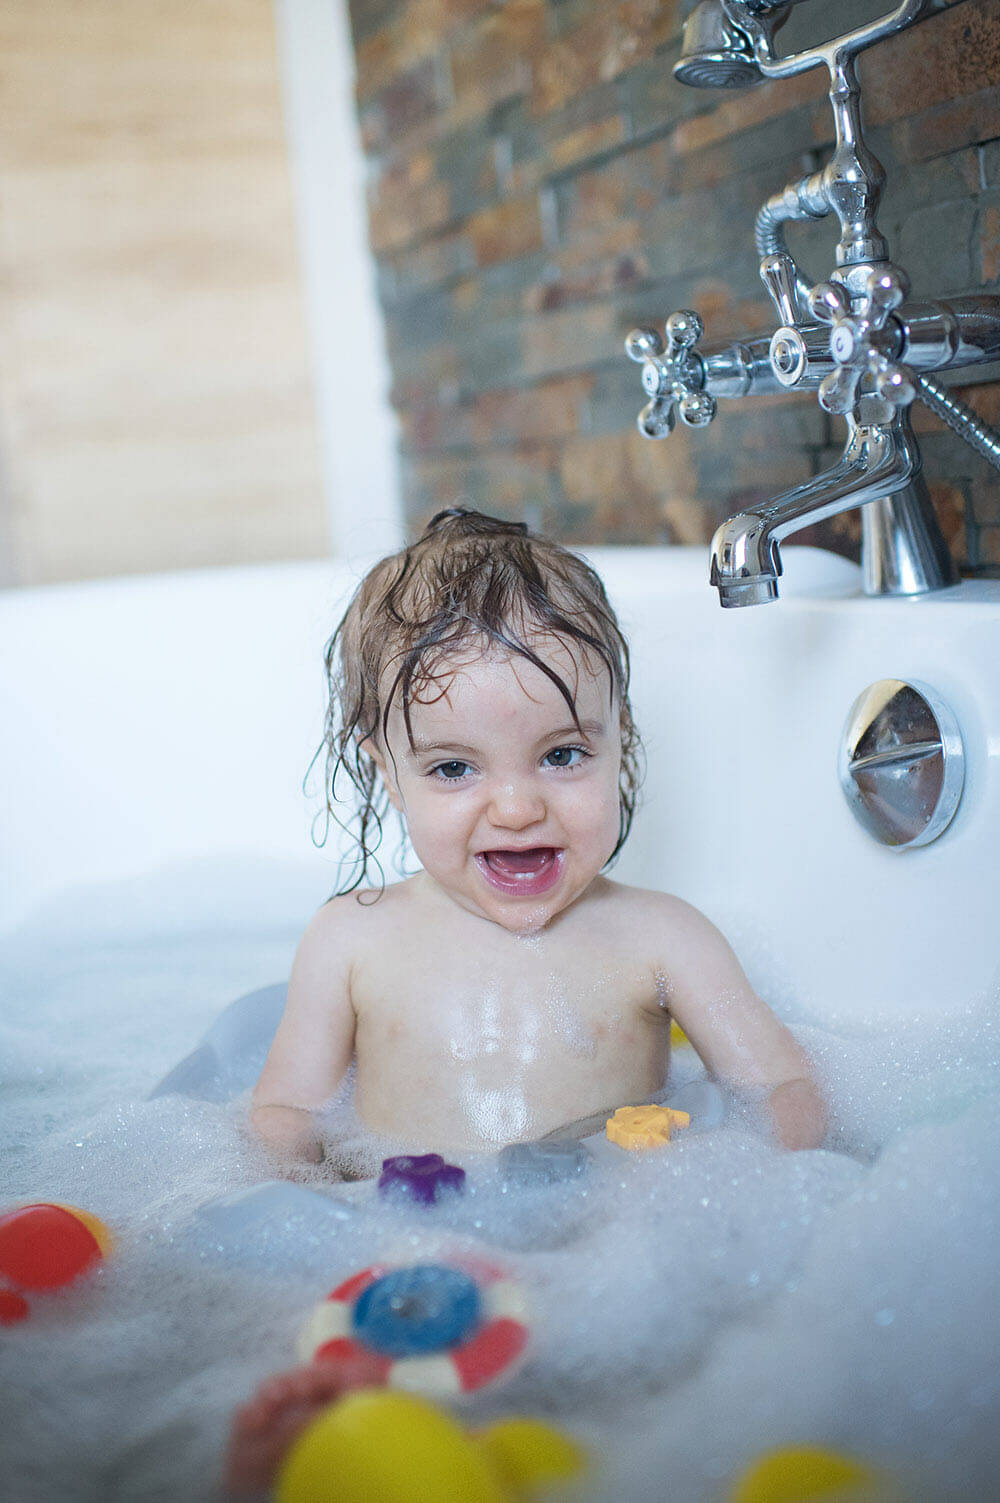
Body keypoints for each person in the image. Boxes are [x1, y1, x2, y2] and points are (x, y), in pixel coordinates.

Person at [250, 508, 826, 1167]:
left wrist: (746, 1174)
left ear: (620, 741)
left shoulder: (664, 938)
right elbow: (287, 1114)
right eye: (454, 767)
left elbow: (782, 1085)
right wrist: (303, 1194)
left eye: (561, 755)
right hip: (407, 1234)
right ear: (388, 772)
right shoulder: (349, 940)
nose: (518, 808)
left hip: (619, 1233)